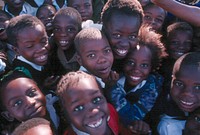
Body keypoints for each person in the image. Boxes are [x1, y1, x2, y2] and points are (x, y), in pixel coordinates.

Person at [106, 26, 167, 127]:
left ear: (152, 66)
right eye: (130, 62)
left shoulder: (153, 88)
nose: (136, 70)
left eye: (144, 65)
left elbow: (132, 117)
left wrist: (112, 88)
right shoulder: (116, 76)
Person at [56, 71, 149, 135]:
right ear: (66, 117)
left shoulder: (110, 111)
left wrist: (135, 130)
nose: (93, 111)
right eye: (78, 108)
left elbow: (120, 129)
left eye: (96, 100)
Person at [6, 14, 56, 92]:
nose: (41, 49)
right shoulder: (20, 76)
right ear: (16, 50)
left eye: (44, 41)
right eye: (30, 46)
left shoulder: (47, 58)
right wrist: (42, 88)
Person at [157, 52, 200, 135]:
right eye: (179, 84)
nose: (187, 93)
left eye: (198, 87)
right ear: (171, 80)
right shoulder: (157, 104)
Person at [101, 0, 144, 73]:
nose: (124, 44)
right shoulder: (88, 48)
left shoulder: (141, 54)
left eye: (132, 37)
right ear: (103, 28)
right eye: (117, 35)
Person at [49, 7, 82, 76]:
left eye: (70, 29)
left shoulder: (85, 53)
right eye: (57, 29)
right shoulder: (51, 51)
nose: (63, 34)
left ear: (79, 31)